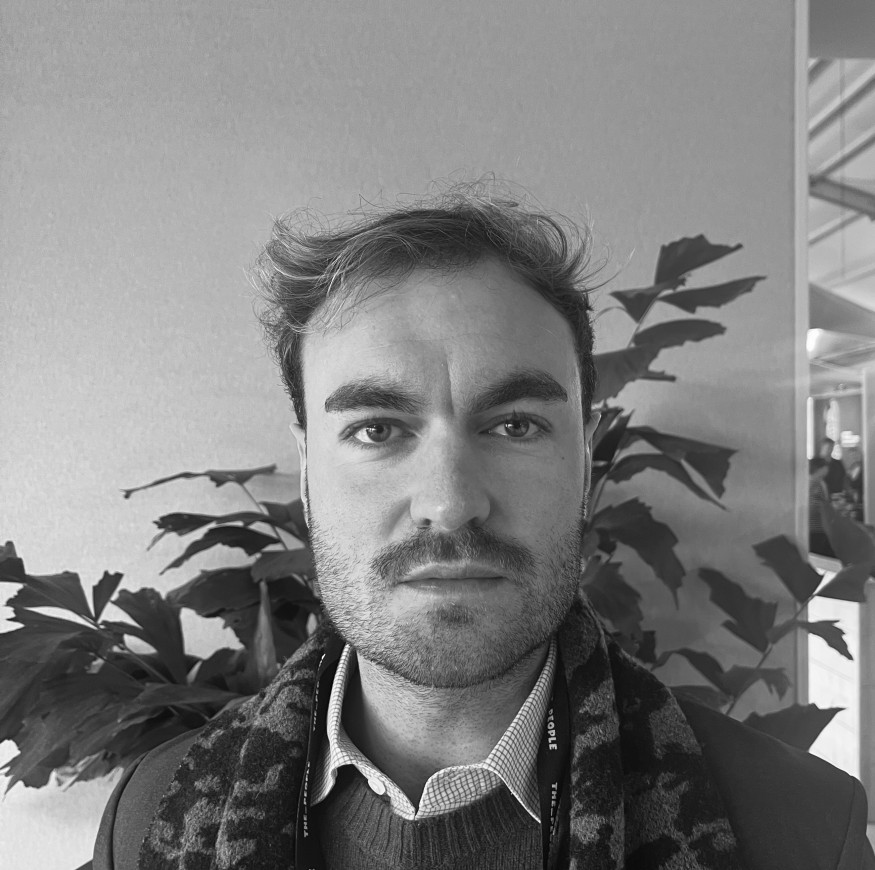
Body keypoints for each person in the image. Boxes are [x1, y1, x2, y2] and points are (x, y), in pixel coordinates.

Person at [91, 185, 874, 870]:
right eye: (376, 429)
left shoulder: (802, 832)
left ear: (584, 456)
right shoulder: (151, 816)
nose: (450, 502)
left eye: (514, 425)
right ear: (306, 469)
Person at [808, 456, 835, 558]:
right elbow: (813, 506)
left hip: (817, 526)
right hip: (816, 527)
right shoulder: (815, 483)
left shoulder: (816, 482)